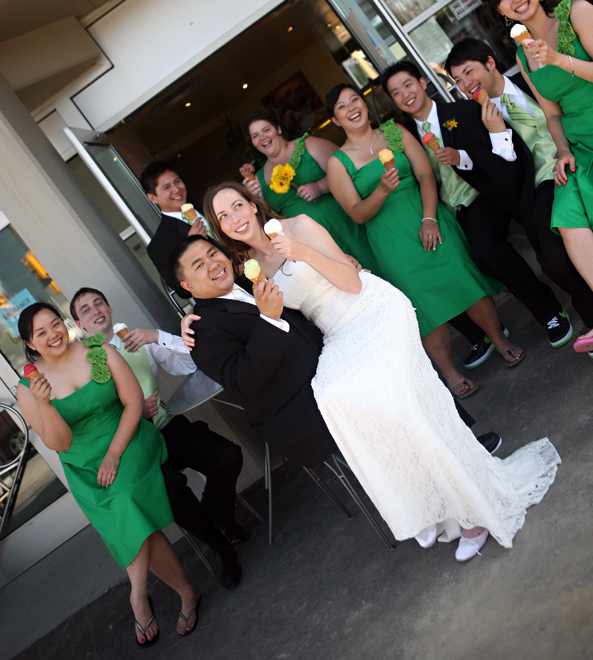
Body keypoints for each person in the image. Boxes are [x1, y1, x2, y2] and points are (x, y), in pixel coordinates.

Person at [196, 186, 559, 562]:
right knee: (332, 398)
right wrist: (182, 329)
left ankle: (473, 513)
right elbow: (229, 303)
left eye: (237, 206)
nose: (235, 218)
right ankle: (425, 502)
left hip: (371, 309)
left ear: (252, 205)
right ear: (219, 228)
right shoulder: (245, 268)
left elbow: (352, 282)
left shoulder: (298, 226)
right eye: (223, 216)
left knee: (406, 408)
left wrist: (301, 252)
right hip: (335, 333)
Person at [322, 83, 524, 398]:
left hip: (427, 217)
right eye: (342, 107)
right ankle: (450, 373)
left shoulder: (395, 132)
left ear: (364, 103)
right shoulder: (337, 162)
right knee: (424, 307)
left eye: (355, 100)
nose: (352, 109)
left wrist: (429, 219)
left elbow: (426, 175)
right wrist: (382, 191)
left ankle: (500, 341)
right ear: (336, 120)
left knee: (463, 279)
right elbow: (357, 213)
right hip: (392, 240)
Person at [16, 302, 200, 645]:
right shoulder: (27, 388)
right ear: (30, 343)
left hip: (128, 438)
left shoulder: (98, 350)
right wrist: (44, 404)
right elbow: (60, 443)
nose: (53, 334)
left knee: (124, 498)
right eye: (41, 332)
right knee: (126, 513)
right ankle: (187, 591)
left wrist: (114, 454)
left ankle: (138, 595)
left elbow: (133, 402)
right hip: (83, 466)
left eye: (55, 324)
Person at [386, 57, 593, 351]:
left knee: (492, 247)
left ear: (422, 83)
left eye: (408, 84)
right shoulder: (402, 136)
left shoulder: (463, 110)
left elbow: (494, 158)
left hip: (483, 193)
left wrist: (461, 157)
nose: (405, 94)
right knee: (476, 255)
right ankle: (534, 313)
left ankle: (553, 311)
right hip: (451, 209)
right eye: (396, 92)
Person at [70, 287, 244, 589]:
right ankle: (220, 547)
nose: (95, 310)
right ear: (79, 324)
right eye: (85, 309)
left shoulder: (135, 340)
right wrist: (135, 413)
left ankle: (218, 520)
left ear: (109, 308)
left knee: (228, 456)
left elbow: (191, 362)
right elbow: (94, 417)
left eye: (99, 303)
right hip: (134, 447)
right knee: (170, 488)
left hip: (166, 428)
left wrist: (156, 336)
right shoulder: (84, 363)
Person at [481, 0, 593, 353]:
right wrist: (561, 150)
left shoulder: (576, 12)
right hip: (579, 143)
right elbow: (552, 113)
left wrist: (559, 59)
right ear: (499, 10)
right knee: (568, 220)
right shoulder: (522, 55)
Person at [169, 234, 338, 468]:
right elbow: (243, 382)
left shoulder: (248, 281)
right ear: (187, 286)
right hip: (308, 414)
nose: (213, 264)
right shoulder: (200, 332)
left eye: (213, 254)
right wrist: (269, 320)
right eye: (199, 266)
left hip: (333, 371)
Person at [239, 109, 376, 270]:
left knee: (372, 267)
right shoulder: (258, 179)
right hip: (311, 246)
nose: (262, 137)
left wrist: (320, 187)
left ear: (278, 129)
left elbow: (349, 169)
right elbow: (267, 220)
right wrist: (252, 197)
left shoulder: (309, 145)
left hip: (342, 226)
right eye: (255, 136)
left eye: (266, 130)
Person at [141, 160, 208, 298]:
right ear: (153, 198)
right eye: (167, 187)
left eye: (177, 181)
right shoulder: (158, 245)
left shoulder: (208, 203)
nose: (176, 189)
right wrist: (191, 247)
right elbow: (182, 291)